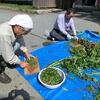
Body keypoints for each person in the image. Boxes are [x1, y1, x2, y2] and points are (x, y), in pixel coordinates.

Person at [0, 14, 33, 84]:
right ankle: (0, 72)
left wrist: (26, 52)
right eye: (23, 32)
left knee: (15, 46)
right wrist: (20, 62)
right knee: (4, 59)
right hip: (1, 46)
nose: (23, 35)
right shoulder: (4, 34)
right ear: (18, 27)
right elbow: (8, 56)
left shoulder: (15, 27)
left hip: (4, 45)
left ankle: (9, 62)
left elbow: (20, 41)